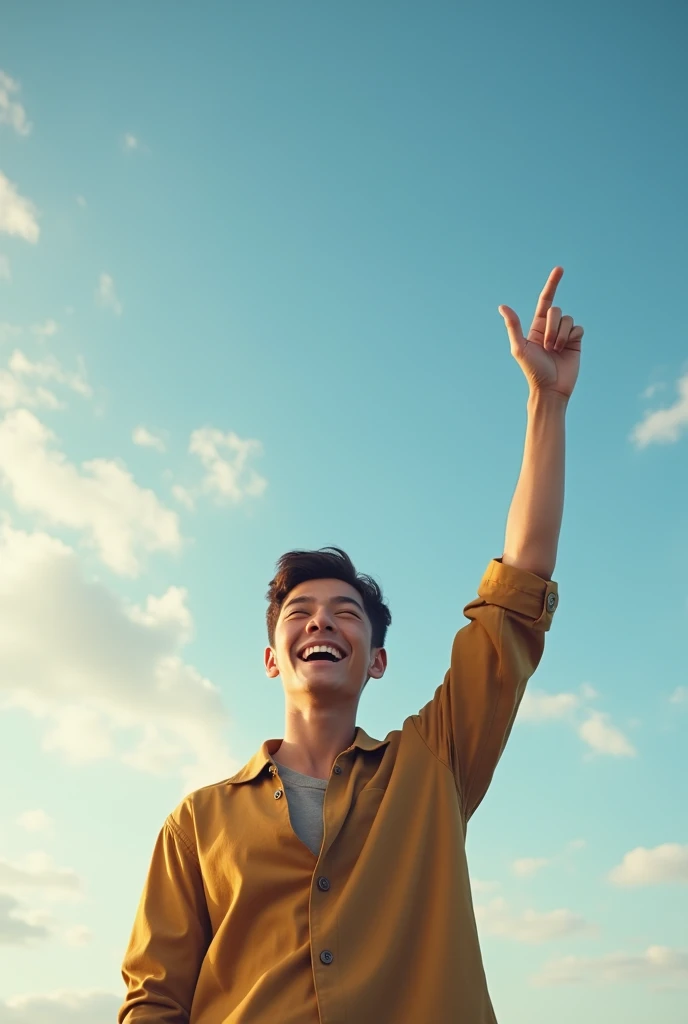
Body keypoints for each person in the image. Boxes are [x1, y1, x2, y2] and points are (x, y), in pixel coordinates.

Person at [118, 266, 584, 1023]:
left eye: (345, 614)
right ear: (273, 657)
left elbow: (519, 589)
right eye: (299, 613)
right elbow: (154, 999)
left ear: (378, 660)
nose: (322, 623)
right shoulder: (195, 823)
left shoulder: (434, 765)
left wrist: (547, 403)